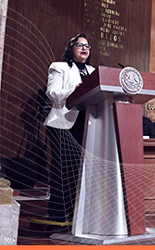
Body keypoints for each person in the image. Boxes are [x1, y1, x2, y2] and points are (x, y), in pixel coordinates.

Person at [44, 33, 95, 222]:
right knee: (63, 167)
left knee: (80, 169)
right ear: (71, 48)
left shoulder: (94, 71)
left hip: (87, 124)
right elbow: (53, 93)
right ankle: (58, 211)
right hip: (63, 123)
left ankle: (77, 212)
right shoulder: (59, 67)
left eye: (87, 46)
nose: (84, 48)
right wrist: (75, 89)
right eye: (80, 45)